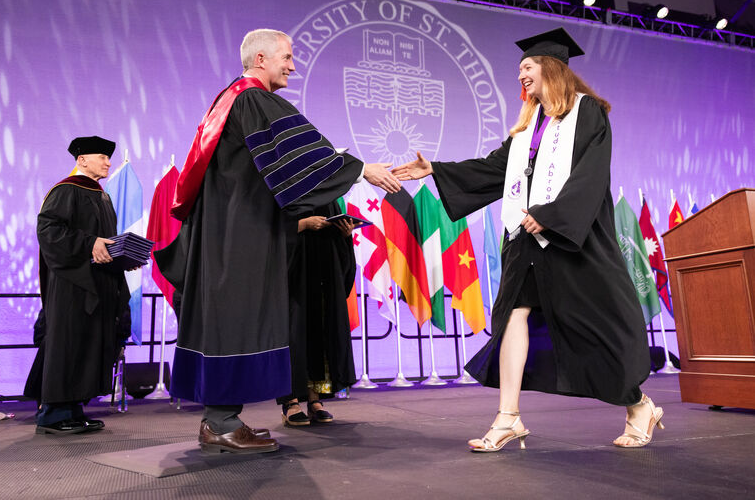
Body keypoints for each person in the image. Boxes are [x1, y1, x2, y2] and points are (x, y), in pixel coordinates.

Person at [392, 28, 662, 451]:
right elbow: (495, 169)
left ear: (550, 69)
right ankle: (508, 418)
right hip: (525, 239)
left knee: (592, 328)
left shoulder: (588, 114)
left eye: (527, 67)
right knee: (513, 316)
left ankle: (639, 404)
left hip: (573, 240)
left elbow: (592, 174)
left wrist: (552, 216)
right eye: (519, 68)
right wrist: (437, 170)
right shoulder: (526, 127)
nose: (520, 74)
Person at [155, 29, 399, 454]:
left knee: (231, 319)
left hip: (230, 230)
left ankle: (221, 419)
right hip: (240, 235)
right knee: (236, 320)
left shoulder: (227, 101)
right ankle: (221, 421)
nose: (292, 65)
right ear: (261, 59)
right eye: (287, 57)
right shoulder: (251, 98)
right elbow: (299, 156)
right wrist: (360, 169)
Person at [24, 136, 131, 435]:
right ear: (81, 159)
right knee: (69, 344)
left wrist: (123, 256)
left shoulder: (101, 195)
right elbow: (49, 231)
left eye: (109, 158)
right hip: (72, 283)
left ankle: (73, 408)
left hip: (98, 282)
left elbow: (104, 243)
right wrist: (88, 244)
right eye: (102, 157)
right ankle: (52, 414)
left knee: (87, 344)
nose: (108, 162)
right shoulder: (65, 190)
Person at [278, 203, 357, 426]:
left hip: (324, 272)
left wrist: (344, 233)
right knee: (294, 335)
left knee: (321, 332)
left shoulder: (330, 191)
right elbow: (268, 230)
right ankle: (290, 402)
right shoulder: (287, 186)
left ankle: (315, 400)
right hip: (294, 275)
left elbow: (343, 257)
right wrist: (302, 224)